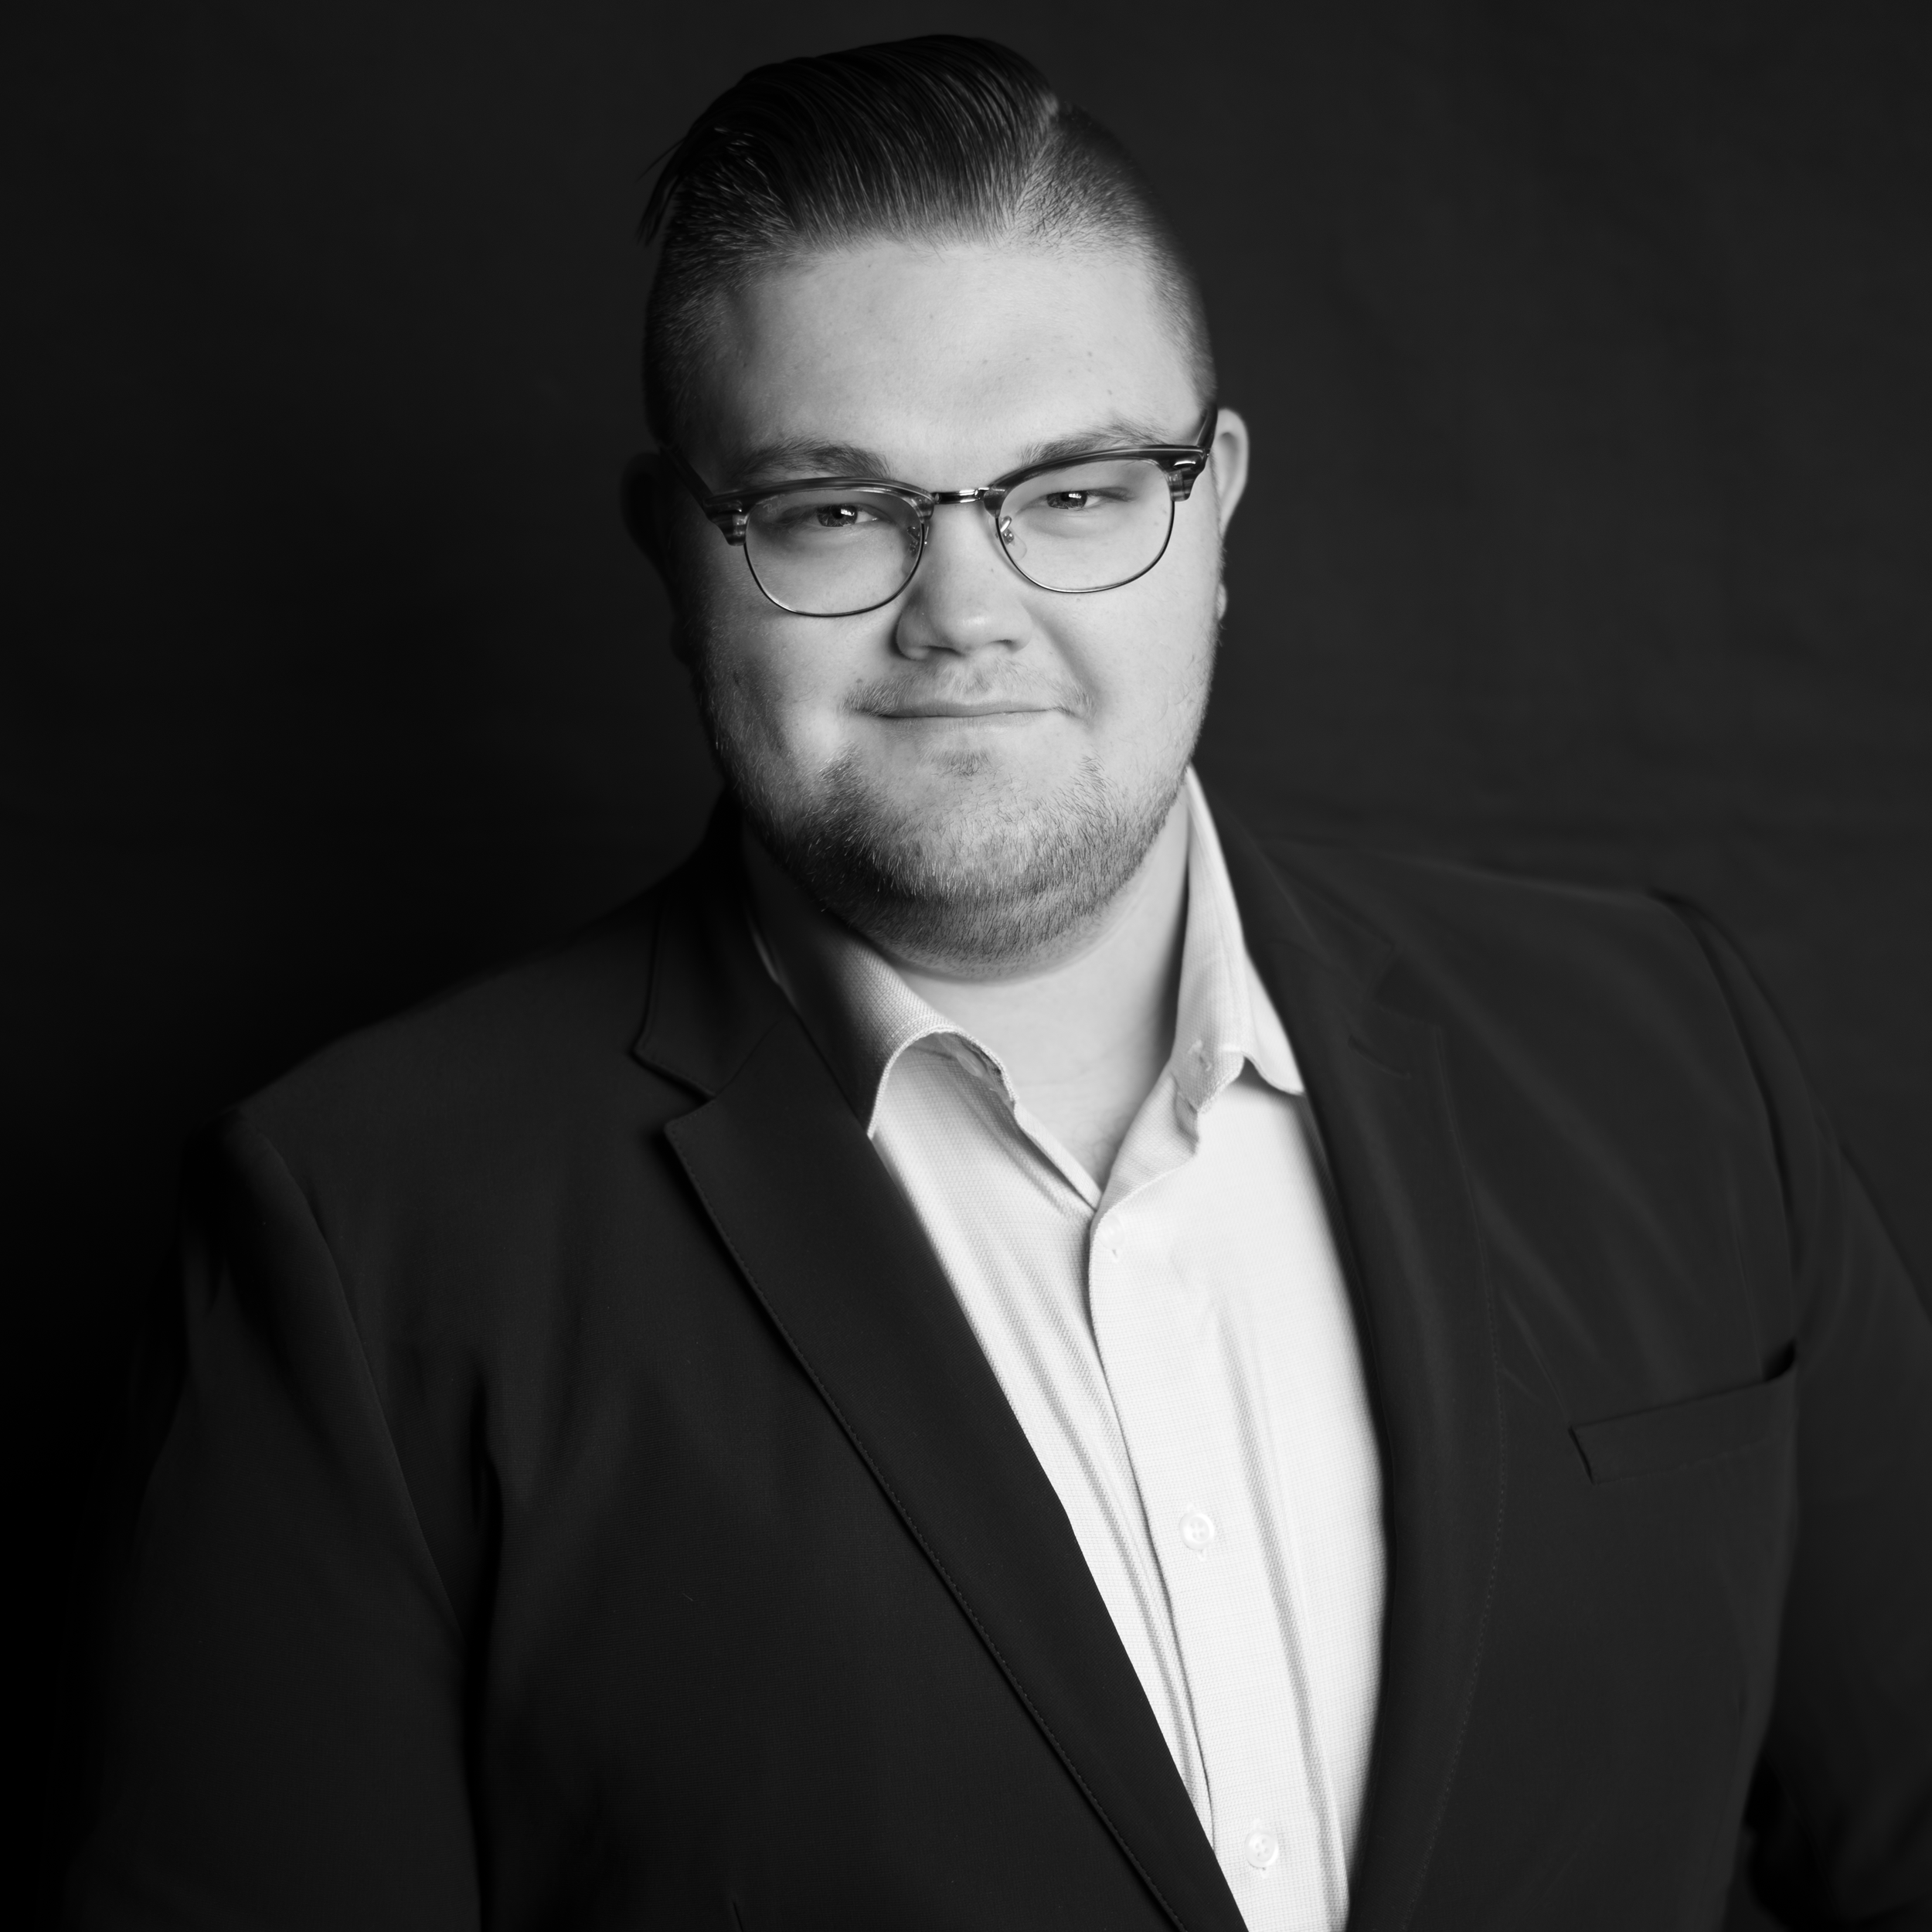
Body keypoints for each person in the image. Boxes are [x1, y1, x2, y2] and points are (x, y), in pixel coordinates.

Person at [68, 35, 1932, 1932]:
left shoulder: (1662, 1051)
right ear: (673, 556)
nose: (963, 610)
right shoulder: (364, 1237)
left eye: (1073, 489)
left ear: (1209, 511)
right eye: (832, 510)